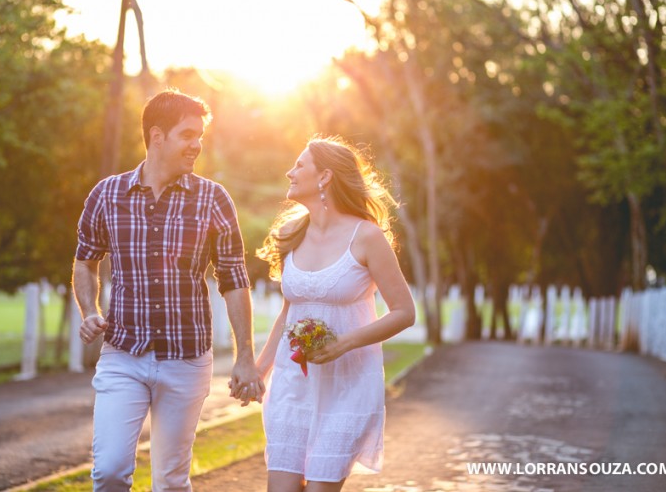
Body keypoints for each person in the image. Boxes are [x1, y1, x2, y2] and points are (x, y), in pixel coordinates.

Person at [72, 89, 265, 492]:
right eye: (187, 135)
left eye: (200, 136)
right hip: (123, 354)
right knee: (108, 471)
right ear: (157, 137)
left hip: (186, 360)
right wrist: (88, 308)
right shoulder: (106, 196)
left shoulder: (213, 199)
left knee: (171, 480)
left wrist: (245, 356)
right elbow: (85, 260)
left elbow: (234, 279)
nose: (197, 145)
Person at [255, 136, 417, 492]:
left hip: (349, 383)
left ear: (325, 176)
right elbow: (288, 311)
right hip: (293, 384)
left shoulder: (367, 237)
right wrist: (259, 368)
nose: (289, 172)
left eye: (299, 165)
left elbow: (405, 312)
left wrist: (345, 343)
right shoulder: (290, 234)